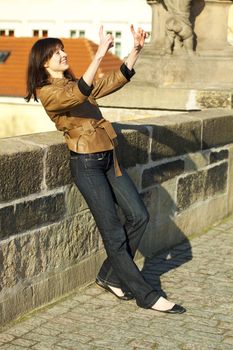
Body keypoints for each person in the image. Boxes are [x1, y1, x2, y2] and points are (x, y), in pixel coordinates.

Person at [25, 25, 186, 314]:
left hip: (108, 158)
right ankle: (145, 294)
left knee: (139, 215)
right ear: (43, 62)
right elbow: (78, 93)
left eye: (62, 49)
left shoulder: (75, 82)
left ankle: (109, 275)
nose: (63, 54)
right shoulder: (47, 92)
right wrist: (99, 53)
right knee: (112, 231)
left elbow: (111, 82)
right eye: (55, 52)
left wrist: (134, 52)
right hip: (85, 163)